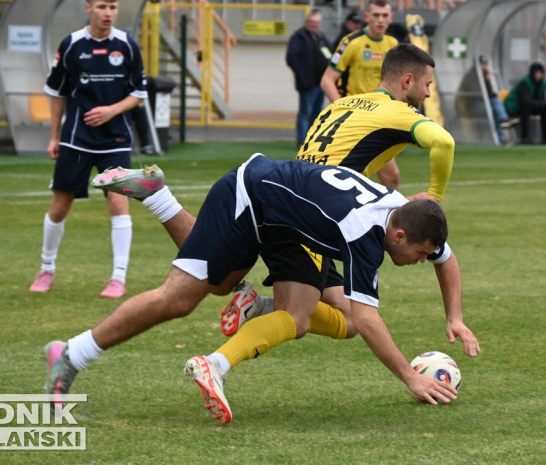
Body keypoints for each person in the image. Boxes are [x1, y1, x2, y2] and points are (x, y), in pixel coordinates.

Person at [44, 155, 477, 422]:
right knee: (183, 297)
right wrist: (409, 378)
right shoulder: (365, 232)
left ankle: (164, 203)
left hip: (290, 221)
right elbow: (369, 318)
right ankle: (73, 352)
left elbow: (446, 258)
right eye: (420, 254)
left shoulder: (408, 212)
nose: (423, 262)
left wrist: (454, 317)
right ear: (399, 237)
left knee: (294, 313)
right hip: (249, 198)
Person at [94, 44, 469, 349]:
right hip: (312, 216)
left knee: (228, 283)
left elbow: (354, 157)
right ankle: (223, 355)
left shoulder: (345, 104)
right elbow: (443, 140)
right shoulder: (397, 113)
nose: (428, 93)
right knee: (300, 317)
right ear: (407, 81)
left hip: (289, 192)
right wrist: (434, 196)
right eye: (427, 85)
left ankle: (161, 200)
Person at [28, 0, 148, 299]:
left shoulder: (126, 45)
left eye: (112, 7)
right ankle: (46, 269)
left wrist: (111, 110)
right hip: (76, 140)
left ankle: (118, 278)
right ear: (88, 8)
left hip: (116, 139)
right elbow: (56, 92)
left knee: (118, 201)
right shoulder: (71, 45)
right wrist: (55, 135)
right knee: (60, 204)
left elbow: (139, 93)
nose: (108, 13)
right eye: (101, 7)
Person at [321, 0, 402, 189]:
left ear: (391, 17)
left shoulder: (393, 44)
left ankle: (392, 219)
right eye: (376, 15)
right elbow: (327, 80)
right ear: (367, 16)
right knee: (349, 178)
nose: (380, 20)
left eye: (384, 15)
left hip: (380, 119)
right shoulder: (351, 42)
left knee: (391, 177)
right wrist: (342, 108)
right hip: (355, 120)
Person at [286, 11, 333, 146]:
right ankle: (301, 140)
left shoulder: (321, 37)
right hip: (308, 83)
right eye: (312, 22)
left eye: (317, 23)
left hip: (322, 83)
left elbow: (331, 52)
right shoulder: (298, 37)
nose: (314, 25)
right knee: (305, 112)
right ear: (306, 23)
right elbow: (292, 58)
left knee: (316, 113)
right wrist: (302, 75)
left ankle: (311, 139)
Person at [503, 41, 546, 145]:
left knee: (545, 109)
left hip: (529, 106)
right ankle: (525, 137)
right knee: (526, 108)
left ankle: (545, 138)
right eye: (536, 72)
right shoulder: (525, 82)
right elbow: (525, 100)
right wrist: (543, 104)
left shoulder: (543, 84)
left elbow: (542, 100)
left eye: (540, 73)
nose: (538, 75)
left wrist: (545, 105)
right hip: (514, 107)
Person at [479, 55, 511, 146]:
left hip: (484, 104)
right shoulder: (473, 77)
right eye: (482, 64)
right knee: (495, 105)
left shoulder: (484, 77)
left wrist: (487, 79)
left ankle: (502, 137)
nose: (484, 67)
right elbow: (480, 95)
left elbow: (490, 94)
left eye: (485, 64)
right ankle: (504, 119)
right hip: (472, 106)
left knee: (495, 109)